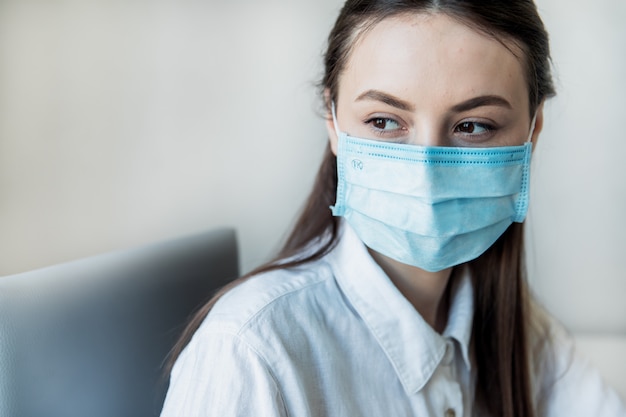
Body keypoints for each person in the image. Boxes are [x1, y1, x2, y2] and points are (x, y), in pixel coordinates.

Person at [160, 1, 626, 416]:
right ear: (334, 123)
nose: (426, 170)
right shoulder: (249, 352)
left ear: (532, 131)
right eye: (384, 121)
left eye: (474, 126)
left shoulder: (525, 337)